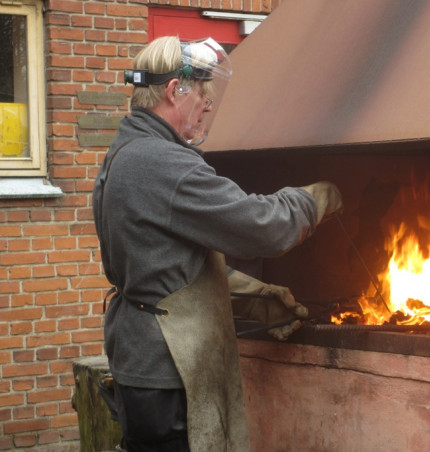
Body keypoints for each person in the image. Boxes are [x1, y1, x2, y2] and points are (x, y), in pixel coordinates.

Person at [92, 36, 342, 451]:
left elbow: (165, 266)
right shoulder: (163, 162)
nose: (208, 105)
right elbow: (262, 227)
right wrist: (316, 198)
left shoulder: (128, 149)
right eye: (203, 95)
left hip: (143, 361)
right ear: (175, 91)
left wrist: (249, 294)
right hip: (166, 372)